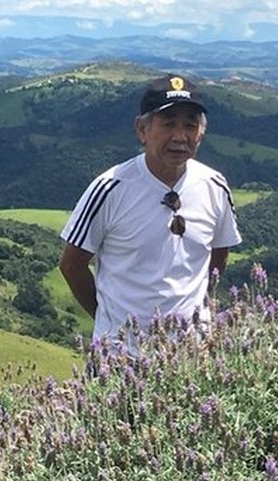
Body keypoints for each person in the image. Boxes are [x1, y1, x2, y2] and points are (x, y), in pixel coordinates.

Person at [58, 73, 242, 352]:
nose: (180, 136)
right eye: (168, 124)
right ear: (142, 130)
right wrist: (107, 322)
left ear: (201, 133)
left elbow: (219, 252)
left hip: (193, 354)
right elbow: (72, 265)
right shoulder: (111, 188)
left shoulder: (214, 186)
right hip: (122, 356)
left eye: (190, 125)